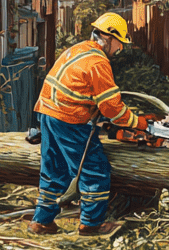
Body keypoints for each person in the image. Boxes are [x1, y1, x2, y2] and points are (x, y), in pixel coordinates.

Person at [29, 12, 151, 237]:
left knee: (53, 170)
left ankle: (41, 222)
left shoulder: (77, 49)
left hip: (47, 112)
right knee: (95, 171)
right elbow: (111, 107)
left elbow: (84, 92)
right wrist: (138, 123)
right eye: (119, 43)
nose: (120, 49)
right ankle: (91, 225)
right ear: (107, 37)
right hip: (69, 118)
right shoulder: (98, 62)